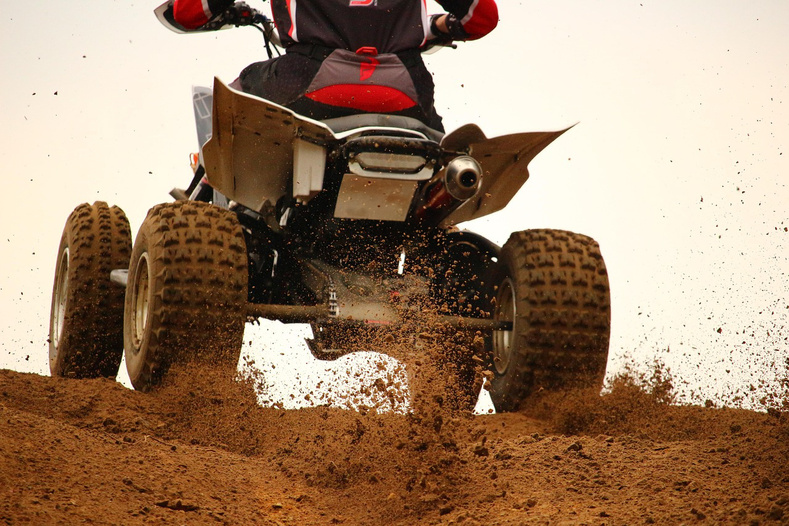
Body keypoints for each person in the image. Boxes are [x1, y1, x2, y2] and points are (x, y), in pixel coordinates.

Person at [172, 0, 498, 132]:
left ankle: (215, 216)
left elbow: (188, 13)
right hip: (405, 91)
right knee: (440, 152)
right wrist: (441, 26)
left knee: (227, 103)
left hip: (307, 80)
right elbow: (483, 18)